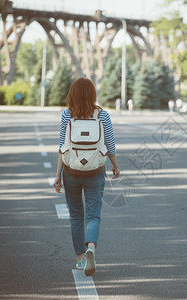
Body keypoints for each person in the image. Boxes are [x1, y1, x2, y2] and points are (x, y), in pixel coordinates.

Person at [53, 78, 120, 276]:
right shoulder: (103, 115)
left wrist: (57, 176)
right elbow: (110, 145)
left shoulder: (67, 115)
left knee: (76, 215)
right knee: (93, 215)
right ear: (92, 94)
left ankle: (81, 259)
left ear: (72, 94)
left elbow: (61, 147)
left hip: (71, 171)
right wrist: (116, 166)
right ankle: (91, 247)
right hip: (95, 171)